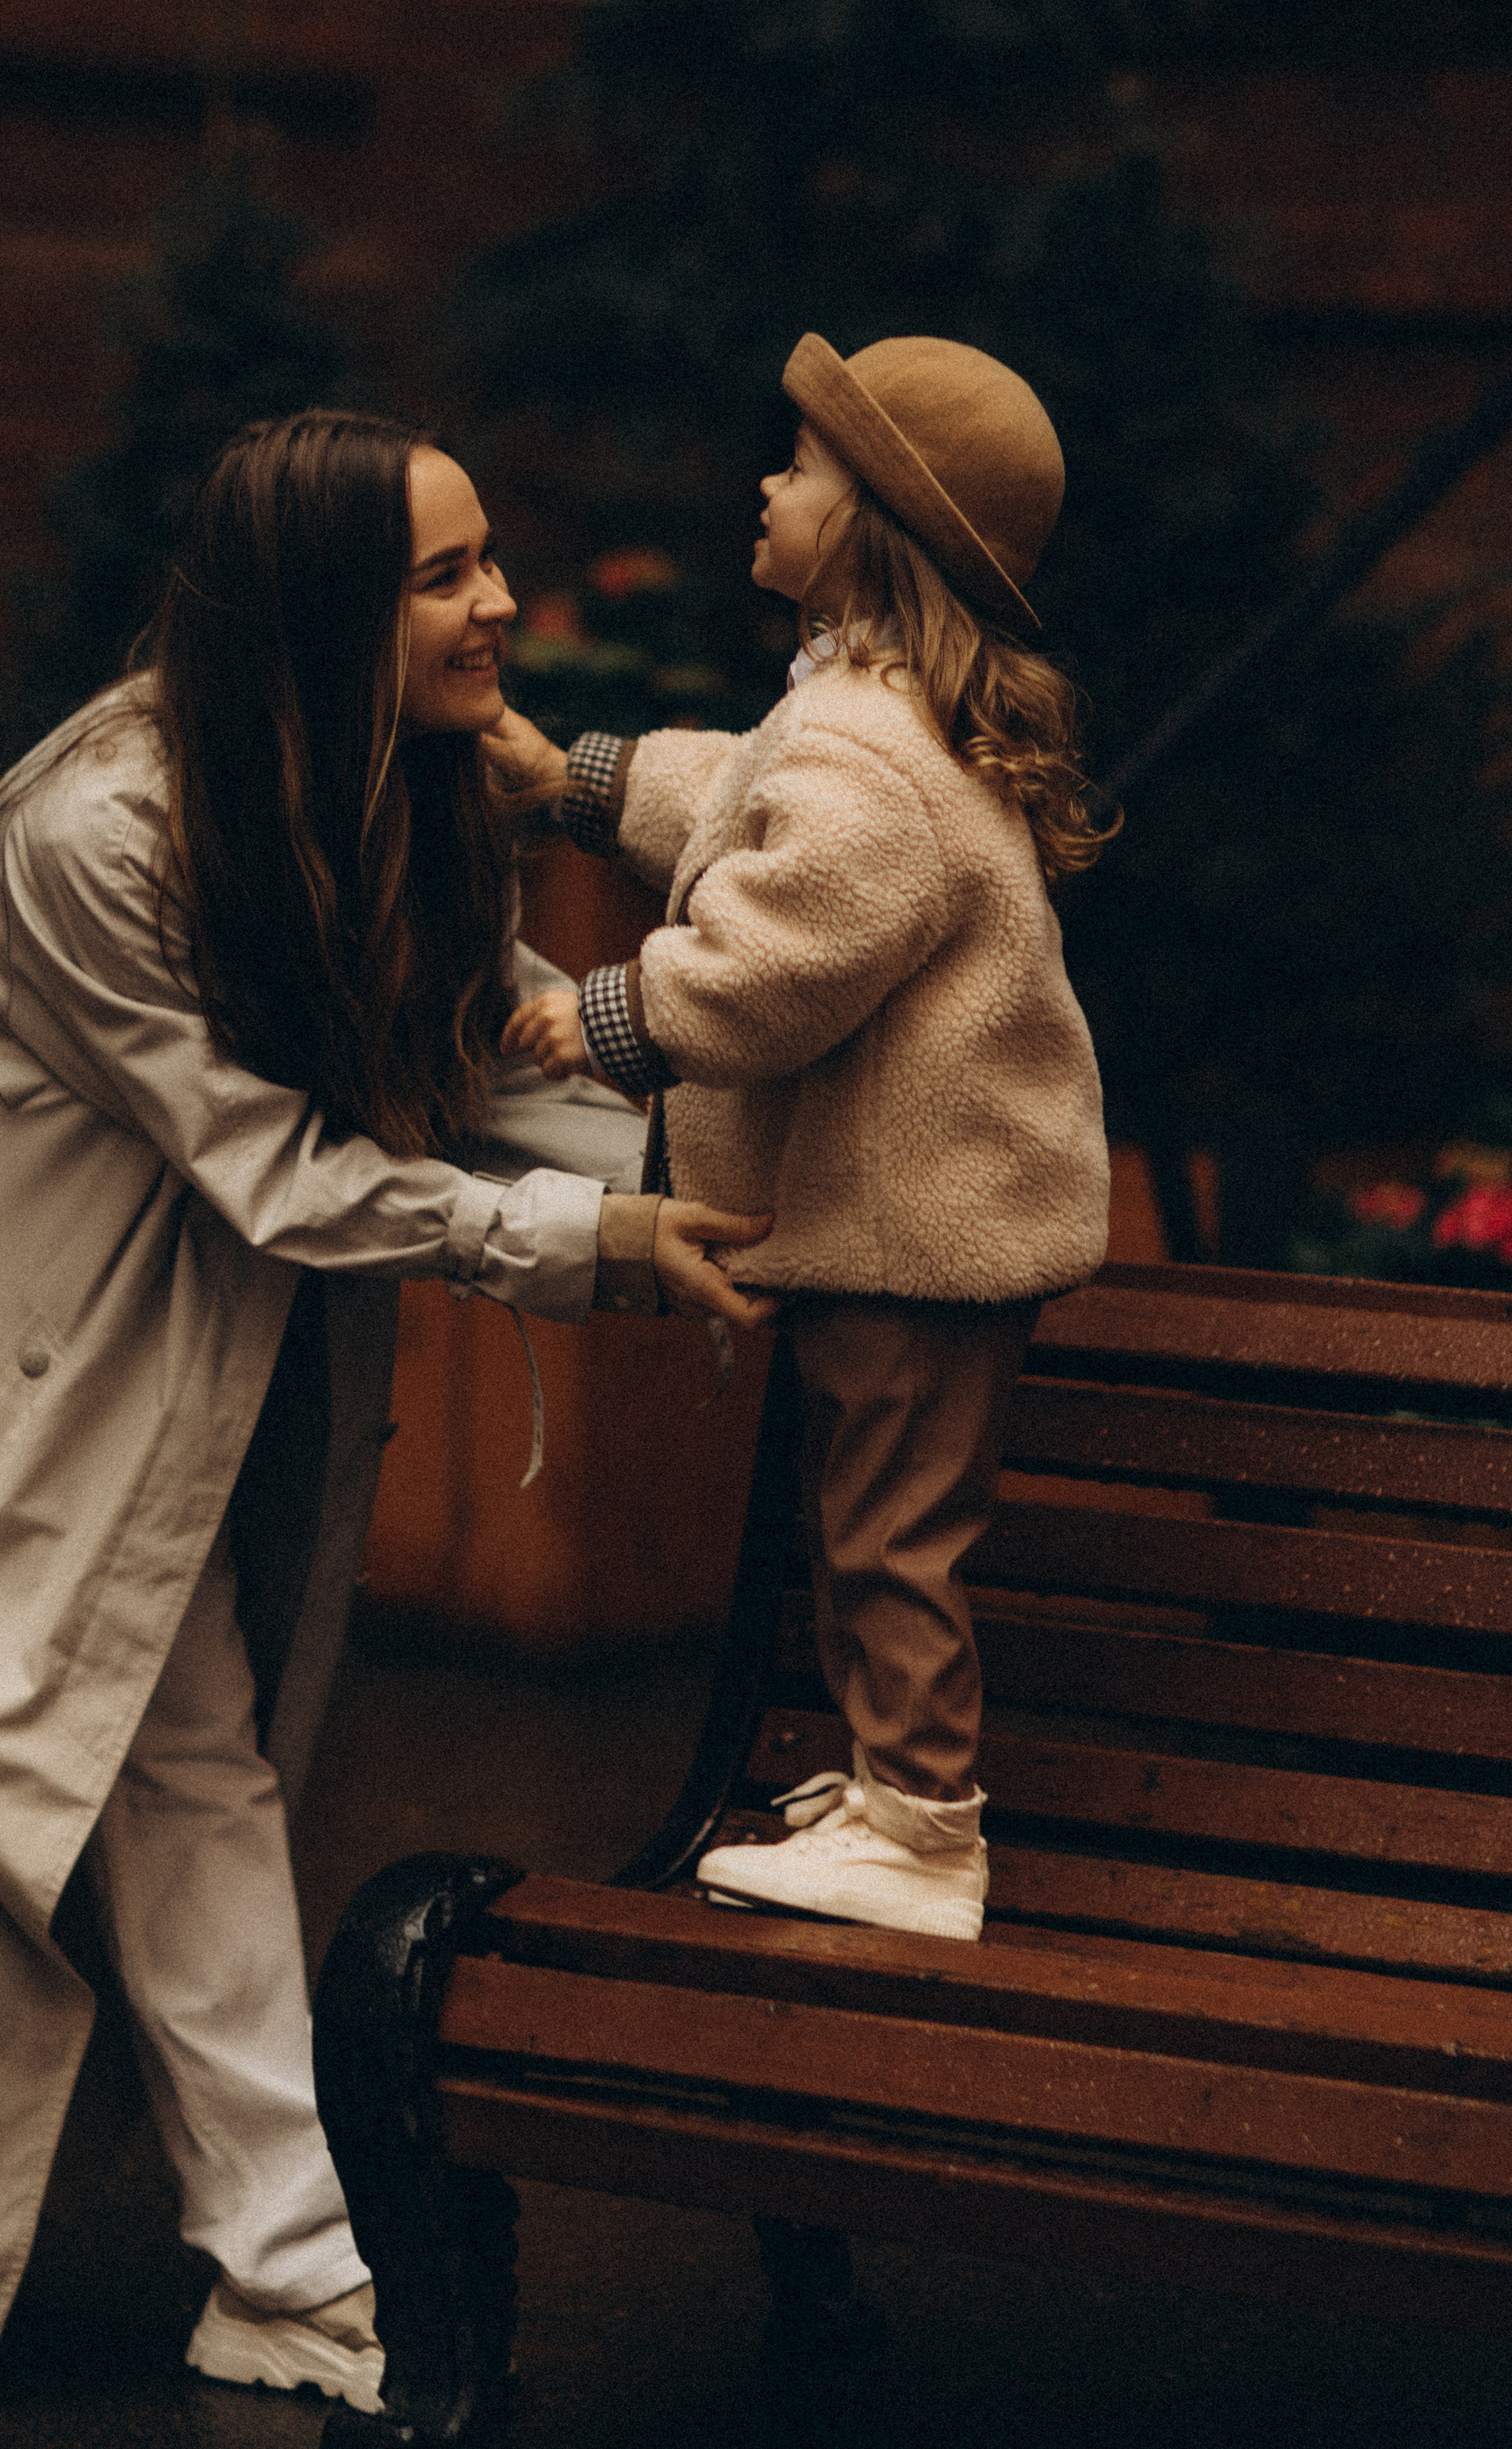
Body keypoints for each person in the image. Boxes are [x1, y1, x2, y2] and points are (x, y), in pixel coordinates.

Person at [0, 409, 773, 2423]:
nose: (501, 601)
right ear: (319, 613)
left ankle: (281, 2266)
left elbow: (467, 1041)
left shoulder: (390, 779)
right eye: (443, 574)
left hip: (113, 1240)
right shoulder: (107, 829)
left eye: (487, 557)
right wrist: (591, 1246)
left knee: (175, 1735)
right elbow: (276, 1165)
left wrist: (739, 1160)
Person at [494, 332, 1113, 1938]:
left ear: (876, 532)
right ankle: (892, 1781)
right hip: (921, 1224)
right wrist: (580, 778)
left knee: (891, 1534)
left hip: (927, 1236)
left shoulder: (868, 752)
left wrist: (610, 1014)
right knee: (869, 1519)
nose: (771, 483)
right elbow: (735, 796)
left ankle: (920, 1830)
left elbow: (787, 955)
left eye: (804, 466)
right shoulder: (857, 710)